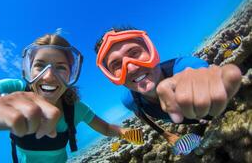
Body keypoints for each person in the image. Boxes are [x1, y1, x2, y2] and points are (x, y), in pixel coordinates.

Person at [0, 33, 133, 163]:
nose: (48, 77)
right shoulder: (13, 88)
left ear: (71, 74)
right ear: (29, 71)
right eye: (40, 66)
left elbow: (108, 128)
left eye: (60, 67)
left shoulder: (76, 108)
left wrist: (135, 134)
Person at [95, 27, 242, 124]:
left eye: (134, 53)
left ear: (152, 50)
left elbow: (196, 71)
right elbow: (141, 115)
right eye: (116, 65)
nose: (131, 68)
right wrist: (165, 134)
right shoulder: (128, 100)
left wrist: (201, 78)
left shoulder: (183, 66)